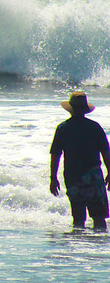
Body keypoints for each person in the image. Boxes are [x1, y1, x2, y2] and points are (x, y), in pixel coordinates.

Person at [49, 91, 110, 231]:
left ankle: (78, 247)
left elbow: (55, 154)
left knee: (78, 219)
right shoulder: (95, 127)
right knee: (99, 218)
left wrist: (53, 178)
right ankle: (97, 247)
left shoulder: (63, 128)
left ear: (71, 109)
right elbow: (105, 152)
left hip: (73, 177)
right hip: (94, 177)